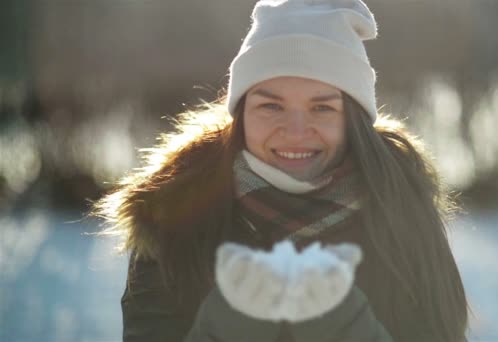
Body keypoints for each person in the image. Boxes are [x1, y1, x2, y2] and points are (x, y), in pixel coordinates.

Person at [94, 0, 469, 341]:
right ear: (240, 114)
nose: (295, 132)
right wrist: (229, 326)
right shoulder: (175, 216)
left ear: (353, 119)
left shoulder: (401, 209)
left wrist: (346, 325)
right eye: (271, 107)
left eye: (322, 108)